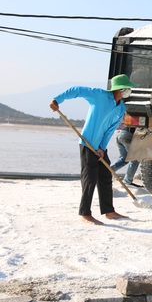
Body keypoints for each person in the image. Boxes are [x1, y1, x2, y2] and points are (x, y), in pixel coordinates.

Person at [49, 74, 139, 225]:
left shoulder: (121, 107)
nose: (129, 91)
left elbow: (110, 129)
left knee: (105, 176)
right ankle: (85, 213)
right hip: (87, 143)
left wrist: (102, 148)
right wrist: (57, 100)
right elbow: (76, 90)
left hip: (99, 147)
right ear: (120, 89)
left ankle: (109, 211)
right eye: (127, 88)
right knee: (89, 178)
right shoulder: (99, 95)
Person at [110, 116, 141, 187]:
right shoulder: (130, 112)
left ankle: (107, 171)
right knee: (134, 159)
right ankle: (127, 181)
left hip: (117, 133)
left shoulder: (120, 110)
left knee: (124, 158)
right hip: (126, 134)